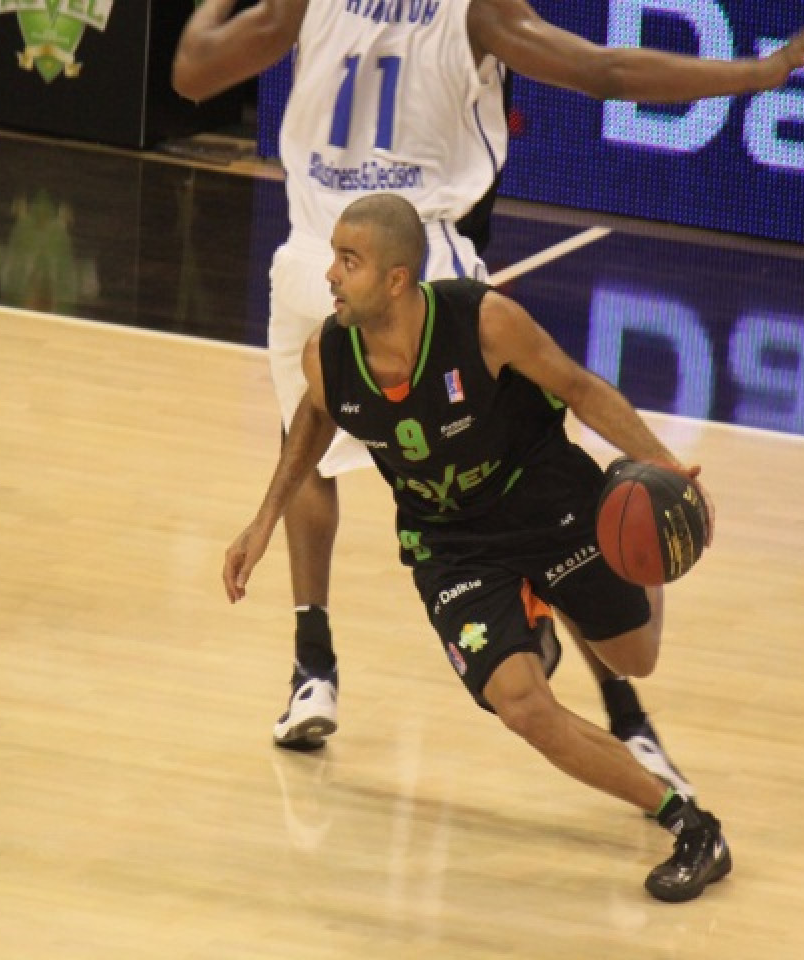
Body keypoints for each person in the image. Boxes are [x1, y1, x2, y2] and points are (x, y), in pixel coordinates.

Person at [176, 0, 804, 765]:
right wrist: (755, 74)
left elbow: (195, 73)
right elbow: (607, 71)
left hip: (311, 263)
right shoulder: (476, 8)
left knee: (309, 446)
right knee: (527, 477)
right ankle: (626, 715)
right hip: (414, 271)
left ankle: (312, 669)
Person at [224, 193, 729, 901]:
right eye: (334, 258)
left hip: (547, 501)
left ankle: (616, 543)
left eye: (349, 261)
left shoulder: (483, 321)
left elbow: (579, 388)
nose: (331, 276)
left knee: (633, 659)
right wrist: (263, 520)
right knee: (521, 704)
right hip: (450, 543)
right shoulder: (329, 354)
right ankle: (690, 825)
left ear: (396, 280)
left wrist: (665, 469)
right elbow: (311, 415)